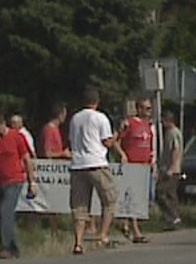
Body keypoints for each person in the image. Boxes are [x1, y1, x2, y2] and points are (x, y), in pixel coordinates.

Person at [66, 88, 118, 255]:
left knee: (79, 205)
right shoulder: (100, 118)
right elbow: (107, 142)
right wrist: (118, 134)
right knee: (109, 199)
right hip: (96, 162)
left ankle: (78, 242)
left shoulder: (75, 119)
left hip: (78, 164)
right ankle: (102, 235)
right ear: (97, 102)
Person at [0, 112, 37, 259]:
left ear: (4, 125)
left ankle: (5, 248)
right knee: (1, 216)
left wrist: (31, 182)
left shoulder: (16, 137)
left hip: (14, 180)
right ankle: (13, 246)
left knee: (6, 211)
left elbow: (27, 159)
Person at [116, 96, 155, 244]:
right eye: (146, 108)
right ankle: (135, 231)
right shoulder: (129, 123)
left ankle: (125, 223)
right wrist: (122, 154)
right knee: (132, 199)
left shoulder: (148, 125)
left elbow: (149, 145)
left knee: (138, 200)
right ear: (139, 109)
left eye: (150, 109)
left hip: (143, 167)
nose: (149, 111)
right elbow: (116, 140)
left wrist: (151, 162)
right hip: (131, 166)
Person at [156, 107, 184, 227]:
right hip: (171, 169)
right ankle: (174, 219)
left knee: (160, 193)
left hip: (171, 170)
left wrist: (171, 168)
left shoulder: (172, 133)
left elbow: (175, 150)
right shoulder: (172, 132)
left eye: (163, 120)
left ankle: (172, 216)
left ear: (168, 120)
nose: (161, 123)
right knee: (171, 195)